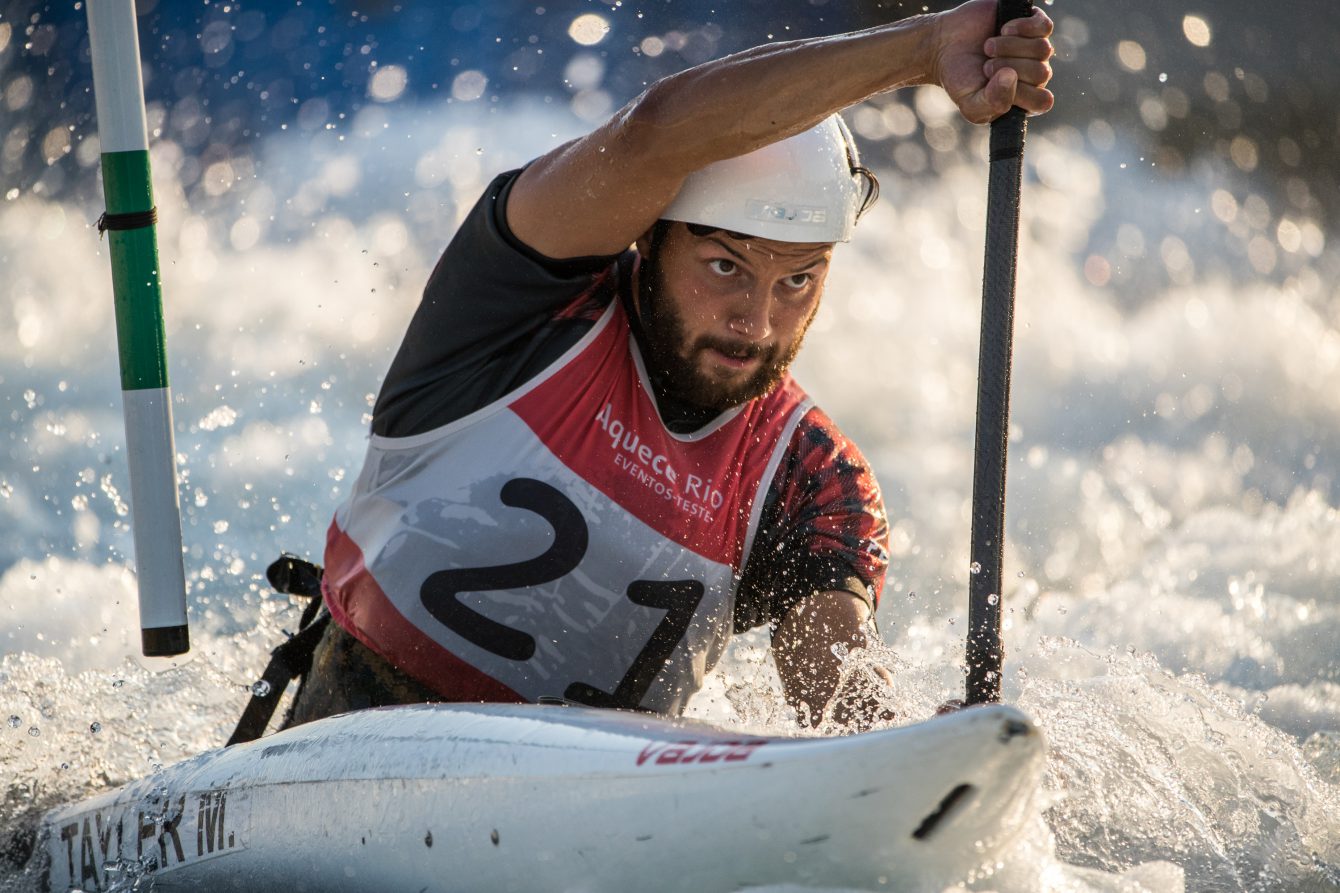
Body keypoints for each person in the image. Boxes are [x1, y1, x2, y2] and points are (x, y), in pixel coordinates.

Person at [284, 0, 1054, 730]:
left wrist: (909, 750)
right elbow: (653, 133)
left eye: (797, 281)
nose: (756, 321)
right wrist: (926, 48)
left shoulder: (809, 473)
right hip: (346, 732)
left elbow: (839, 693)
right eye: (725, 266)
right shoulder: (516, 309)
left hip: (586, 832)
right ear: (650, 239)